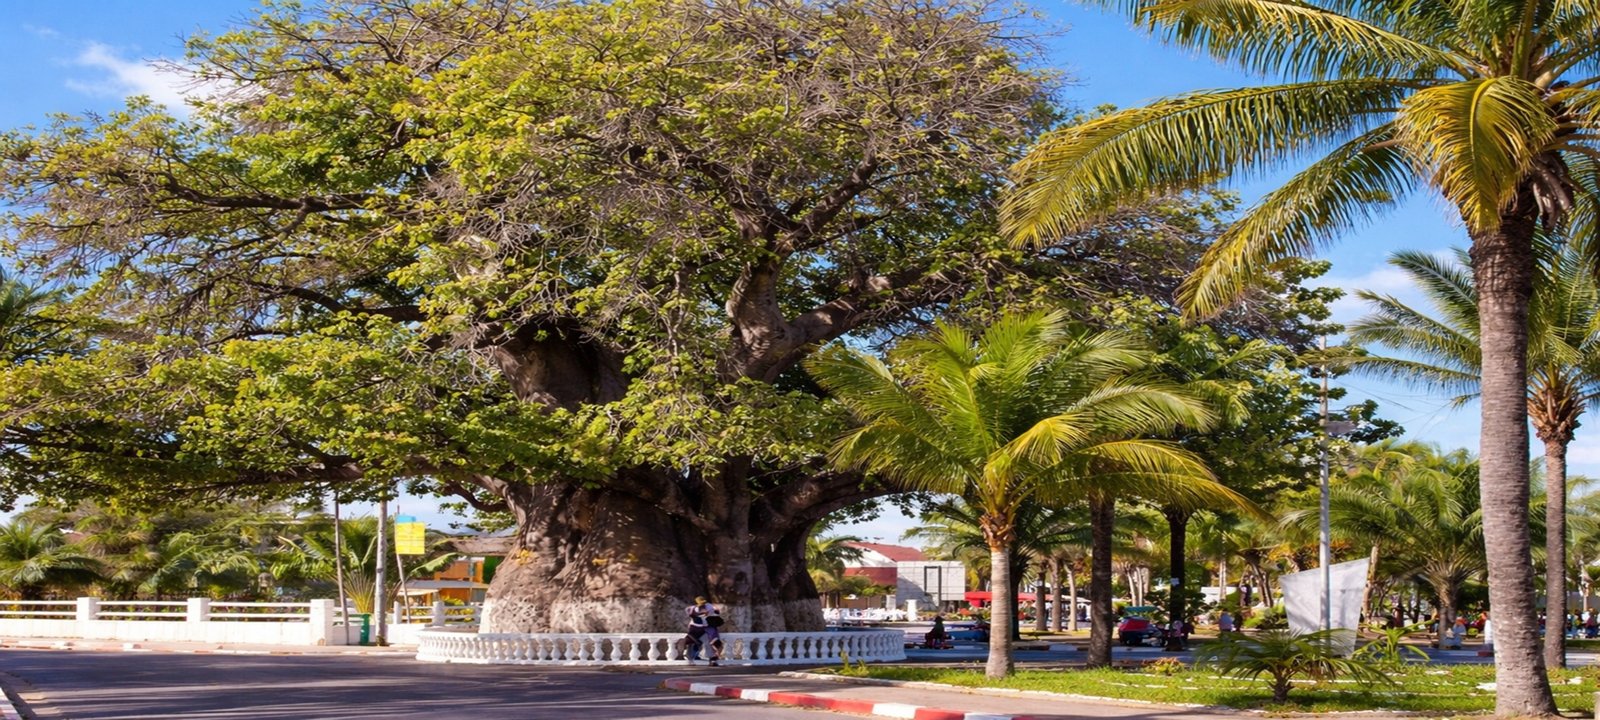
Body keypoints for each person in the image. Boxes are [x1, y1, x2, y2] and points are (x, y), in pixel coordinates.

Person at [685, 596, 723, 666]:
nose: (703, 606)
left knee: (712, 642)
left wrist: (712, 614)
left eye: (703, 604)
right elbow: (689, 613)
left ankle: (712, 660)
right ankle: (690, 659)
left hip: (708, 627)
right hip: (696, 627)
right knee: (691, 641)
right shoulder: (693, 609)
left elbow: (717, 612)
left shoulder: (709, 607)